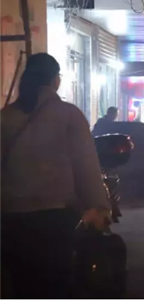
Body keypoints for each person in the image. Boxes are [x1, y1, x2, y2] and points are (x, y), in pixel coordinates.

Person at [0, 53, 110, 298]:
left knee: (20, 284)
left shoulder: (6, 117)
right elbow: (86, 165)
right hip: (56, 218)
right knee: (55, 282)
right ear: (54, 80)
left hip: (11, 218)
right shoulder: (69, 115)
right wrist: (99, 206)